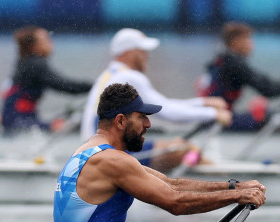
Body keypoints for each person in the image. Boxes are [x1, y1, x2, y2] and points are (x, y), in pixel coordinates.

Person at [55, 83, 266, 222]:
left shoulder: (91, 151)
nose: (148, 124)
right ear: (120, 120)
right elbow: (175, 202)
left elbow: (171, 184)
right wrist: (237, 196)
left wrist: (234, 186)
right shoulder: (111, 161)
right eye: (141, 117)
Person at [80, 28, 232, 172]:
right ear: (128, 53)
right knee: (184, 150)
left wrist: (203, 103)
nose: (147, 56)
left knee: (182, 146)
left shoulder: (110, 74)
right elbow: (167, 112)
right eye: (142, 51)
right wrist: (213, 114)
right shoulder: (129, 77)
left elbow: (164, 104)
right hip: (107, 153)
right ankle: (224, 179)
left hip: (95, 148)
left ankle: (211, 172)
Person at [198, 21, 280, 131]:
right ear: (236, 42)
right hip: (218, 122)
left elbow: (263, 82)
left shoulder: (220, 61)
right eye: (248, 39)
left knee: (269, 114)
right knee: (270, 117)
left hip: (211, 119)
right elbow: (267, 88)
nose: (252, 45)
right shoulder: (233, 65)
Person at [1, 26, 93, 135]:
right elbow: (65, 85)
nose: (51, 43)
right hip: (19, 122)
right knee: (73, 126)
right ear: (34, 46)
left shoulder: (25, 62)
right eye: (47, 39)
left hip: (16, 119)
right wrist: (96, 86)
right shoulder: (35, 65)